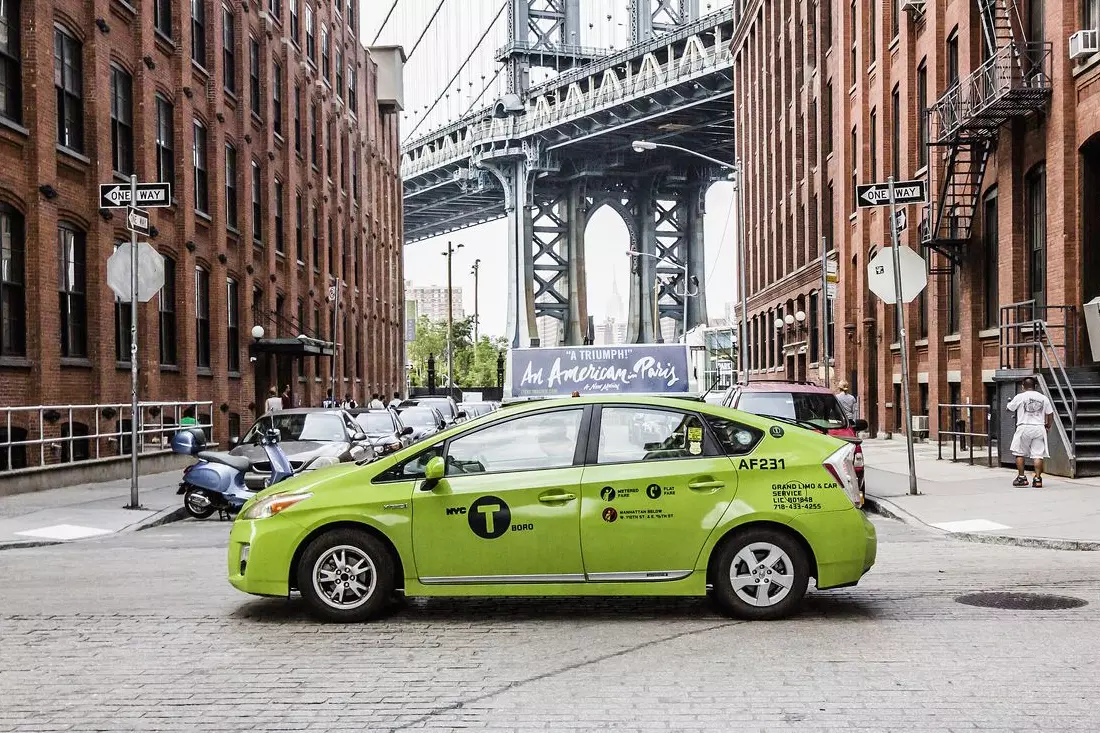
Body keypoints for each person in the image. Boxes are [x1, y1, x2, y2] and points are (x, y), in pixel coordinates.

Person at [1007, 376, 1054, 488]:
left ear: (1023, 386)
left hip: (1024, 427)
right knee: (1038, 455)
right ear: (1035, 386)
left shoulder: (1020, 397)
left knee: (1019, 453)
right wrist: (1048, 426)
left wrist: (1009, 405)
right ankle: (1037, 479)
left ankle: (1021, 478)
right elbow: (1050, 414)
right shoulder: (1043, 398)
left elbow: (1010, 408)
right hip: (1039, 428)